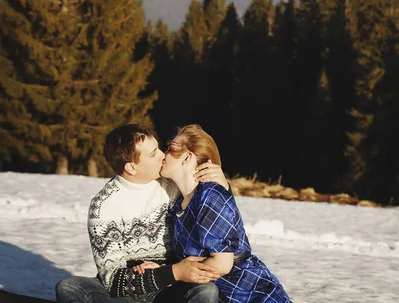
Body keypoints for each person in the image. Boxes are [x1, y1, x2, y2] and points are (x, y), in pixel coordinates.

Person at [56, 123, 229, 303]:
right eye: (153, 153)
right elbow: (113, 282)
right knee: (70, 287)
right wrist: (172, 272)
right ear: (131, 168)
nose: (163, 155)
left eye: (158, 148)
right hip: (128, 294)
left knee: (205, 291)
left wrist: (222, 185)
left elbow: (212, 214)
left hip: (171, 290)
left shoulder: (173, 186)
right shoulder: (104, 206)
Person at [134, 125, 291, 303]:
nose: (164, 154)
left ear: (187, 157)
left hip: (249, 294)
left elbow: (222, 265)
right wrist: (166, 269)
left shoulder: (210, 197)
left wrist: (170, 274)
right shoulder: (181, 203)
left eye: (171, 148)